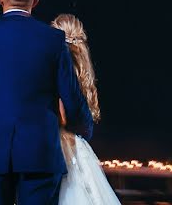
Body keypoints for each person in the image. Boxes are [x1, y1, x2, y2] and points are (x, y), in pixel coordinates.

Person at [0, 0, 94, 205]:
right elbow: (71, 97)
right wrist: (84, 128)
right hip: (40, 153)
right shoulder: (54, 40)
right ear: (35, 1)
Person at [51, 14, 120, 205]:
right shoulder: (83, 67)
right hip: (79, 145)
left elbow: (63, 114)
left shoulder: (60, 65)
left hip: (60, 144)